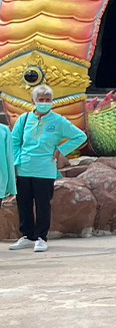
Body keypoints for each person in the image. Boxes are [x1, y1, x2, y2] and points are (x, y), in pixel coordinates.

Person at [8, 85, 87, 253]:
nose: (44, 103)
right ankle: (27, 235)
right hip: (24, 168)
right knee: (24, 203)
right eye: (41, 100)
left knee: (43, 204)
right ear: (33, 101)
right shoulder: (24, 119)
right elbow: (14, 141)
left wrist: (61, 150)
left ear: (52, 101)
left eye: (47, 100)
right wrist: (17, 160)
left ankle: (41, 237)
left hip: (45, 169)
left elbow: (80, 136)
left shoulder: (58, 121)